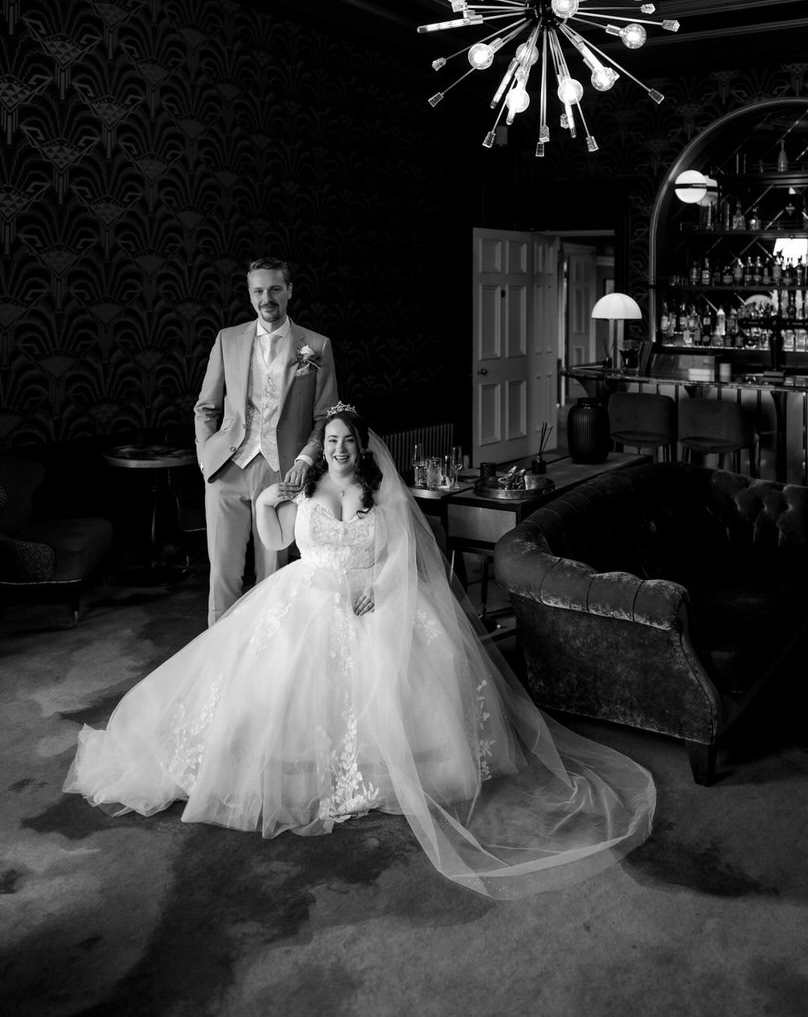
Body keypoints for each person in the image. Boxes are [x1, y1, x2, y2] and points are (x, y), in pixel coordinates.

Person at [64, 405, 655, 899]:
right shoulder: (307, 487)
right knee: (281, 683)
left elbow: (402, 552)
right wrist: (266, 504)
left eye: (347, 440)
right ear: (320, 447)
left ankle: (389, 769)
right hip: (308, 594)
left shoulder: (381, 494)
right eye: (331, 441)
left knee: (406, 678)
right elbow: (278, 541)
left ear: (361, 446)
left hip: (374, 597)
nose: (340, 449)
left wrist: (378, 584)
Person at [193, 256, 337, 625]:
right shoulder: (228, 340)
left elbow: (325, 417)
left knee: (272, 576)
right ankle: (221, 649)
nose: (266, 298)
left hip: (281, 472)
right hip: (226, 470)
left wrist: (304, 460)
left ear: (289, 291)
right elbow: (206, 407)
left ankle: (267, 650)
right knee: (222, 574)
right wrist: (205, 455)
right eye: (258, 291)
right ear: (250, 294)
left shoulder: (316, 345)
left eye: (274, 289)